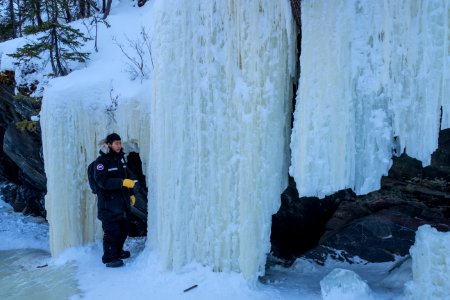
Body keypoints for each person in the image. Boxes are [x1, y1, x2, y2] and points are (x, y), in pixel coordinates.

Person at [93, 133, 136, 268]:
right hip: (108, 204)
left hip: (121, 203)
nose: (119, 146)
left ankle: (118, 252)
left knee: (123, 229)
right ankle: (109, 258)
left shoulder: (120, 160)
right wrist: (121, 182)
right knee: (112, 232)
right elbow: (102, 181)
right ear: (109, 144)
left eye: (120, 143)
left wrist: (131, 194)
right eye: (116, 143)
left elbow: (128, 178)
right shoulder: (101, 162)